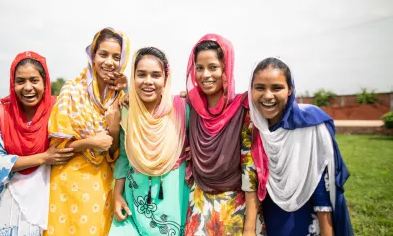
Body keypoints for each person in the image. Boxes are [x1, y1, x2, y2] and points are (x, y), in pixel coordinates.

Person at [249, 57, 354, 236]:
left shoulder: (310, 124)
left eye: (277, 87)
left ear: (290, 89)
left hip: (304, 219)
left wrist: (327, 232)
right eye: (260, 87)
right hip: (264, 219)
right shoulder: (251, 127)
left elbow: (321, 183)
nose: (268, 95)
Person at [0, 51, 75, 236]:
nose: (27, 87)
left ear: (45, 83)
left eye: (34, 80)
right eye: (20, 81)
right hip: (9, 198)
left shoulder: (58, 110)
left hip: (49, 195)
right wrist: (44, 157)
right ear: (12, 84)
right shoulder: (0, 115)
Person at [44, 27, 129, 236]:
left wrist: (114, 127)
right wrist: (90, 142)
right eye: (103, 54)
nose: (109, 62)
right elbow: (57, 148)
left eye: (116, 57)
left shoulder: (120, 98)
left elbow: (116, 153)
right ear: (92, 55)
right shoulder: (72, 90)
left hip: (102, 184)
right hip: (67, 180)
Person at [184, 34, 265, 236]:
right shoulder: (191, 106)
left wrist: (249, 227)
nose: (205, 75)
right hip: (200, 202)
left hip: (236, 205)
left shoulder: (243, 109)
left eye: (213, 67)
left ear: (225, 68)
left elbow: (250, 169)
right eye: (199, 68)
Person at [109, 47, 190, 235]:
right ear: (133, 77)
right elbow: (123, 157)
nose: (148, 81)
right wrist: (117, 194)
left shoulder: (183, 109)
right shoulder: (127, 113)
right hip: (135, 200)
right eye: (141, 75)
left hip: (175, 199)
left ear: (165, 79)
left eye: (155, 75)